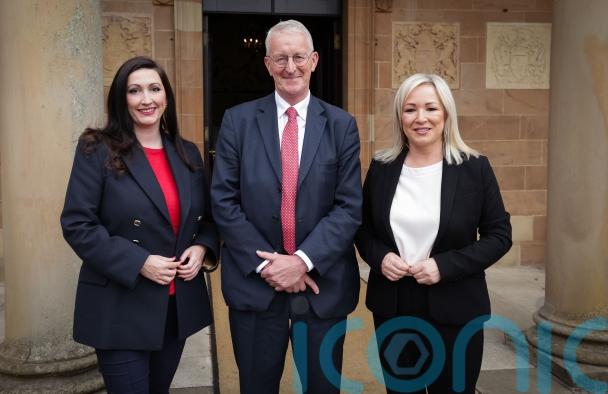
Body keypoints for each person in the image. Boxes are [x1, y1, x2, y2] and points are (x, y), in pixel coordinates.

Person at [211, 19, 362, 393]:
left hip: (322, 287)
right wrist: (269, 265)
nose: (290, 67)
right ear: (267, 64)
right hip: (255, 287)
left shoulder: (342, 125)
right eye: (280, 58)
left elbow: (348, 207)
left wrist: (301, 262)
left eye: (298, 57)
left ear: (314, 60)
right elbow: (223, 201)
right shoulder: (237, 121)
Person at [61, 56, 219, 393]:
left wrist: (201, 247)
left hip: (174, 307)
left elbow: (208, 218)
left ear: (166, 96)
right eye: (135, 91)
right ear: (122, 98)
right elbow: (78, 224)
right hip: (120, 306)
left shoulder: (187, 153)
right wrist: (139, 262)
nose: (146, 99)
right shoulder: (96, 149)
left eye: (154, 89)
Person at [355, 73, 512, 394]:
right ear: (400, 117)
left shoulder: (475, 168)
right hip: (394, 306)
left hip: (456, 305)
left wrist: (444, 266)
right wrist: (380, 257)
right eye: (410, 109)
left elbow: (499, 235)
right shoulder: (382, 167)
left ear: (446, 113)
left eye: (430, 108)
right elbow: (362, 228)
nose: (420, 118)